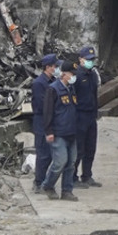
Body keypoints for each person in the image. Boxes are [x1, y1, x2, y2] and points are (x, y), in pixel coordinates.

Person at [40, 57, 79, 201]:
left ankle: (67, 191)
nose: (73, 76)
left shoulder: (71, 89)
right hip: (58, 133)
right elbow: (48, 112)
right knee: (60, 162)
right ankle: (48, 185)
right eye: (72, 74)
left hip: (71, 132)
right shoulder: (53, 89)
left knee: (71, 163)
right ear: (64, 74)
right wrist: (48, 131)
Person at [73, 45, 102, 188]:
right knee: (79, 149)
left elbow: (94, 95)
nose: (91, 62)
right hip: (80, 116)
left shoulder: (93, 75)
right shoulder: (77, 76)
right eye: (88, 59)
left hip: (91, 115)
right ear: (80, 60)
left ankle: (87, 175)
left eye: (92, 59)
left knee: (90, 147)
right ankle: (72, 177)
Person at [31, 54, 59, 193]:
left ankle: (44, 180)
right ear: (48, 67)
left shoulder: (53, 81)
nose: (57, 69)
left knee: (51, 153)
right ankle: (38, 182)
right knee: (43, 153)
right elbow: (42, 105)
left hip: (51, 121)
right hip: (41, 121)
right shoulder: (39, 84)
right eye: (55, 66)